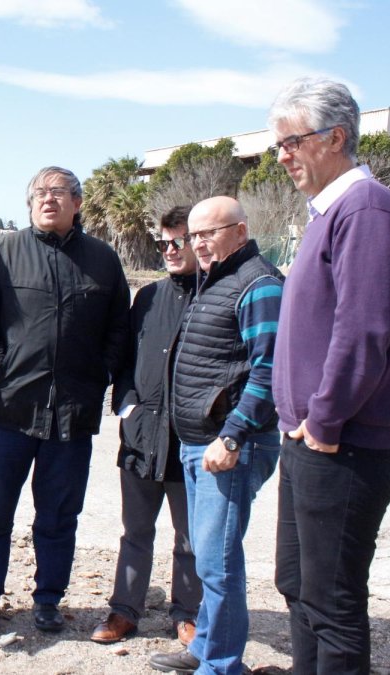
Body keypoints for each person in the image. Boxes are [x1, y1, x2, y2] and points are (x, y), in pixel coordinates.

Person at [269, 77, 390, 675]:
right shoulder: (330, 213)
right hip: (309, 439)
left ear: (335, 137)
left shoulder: (367, 209)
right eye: (279, 145)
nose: (282, 157)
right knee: (297, 584)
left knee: (332, 603)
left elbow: (362, 331)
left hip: (342, 444)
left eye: (292, 142)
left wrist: (324, 421)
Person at [0, 166, 129, 638]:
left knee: (58, 516)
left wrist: (101, 373)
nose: (48, 199)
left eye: (58, 192)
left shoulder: (103, 259)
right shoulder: (4, 254)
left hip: (73, 415)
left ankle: (48, 599)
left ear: (78, 203)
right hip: (9, 410)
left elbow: (119, 325)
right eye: (39, 192)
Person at [149, 196, 282, 675]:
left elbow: (270, 371)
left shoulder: (259, 284)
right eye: (194, 235)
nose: (199, 244)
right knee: (208, 556)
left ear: (240, 232)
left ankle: (221, 665)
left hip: (230, 446)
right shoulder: (217, 280)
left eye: (210, 233)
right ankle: (206, 648)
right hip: (199, 443)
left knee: (218, 561)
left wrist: (232, 436)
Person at [91, 207, 201, 647]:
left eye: (178, 242)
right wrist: (127, 405)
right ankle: (124, 611)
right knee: (135, 532)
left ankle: (188, 615)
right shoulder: (148, 297)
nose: (169, 251)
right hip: (141, 439)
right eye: (163, 243)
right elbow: (124, 359)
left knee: (191, 539)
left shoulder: (218, 295)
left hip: (191, 442)